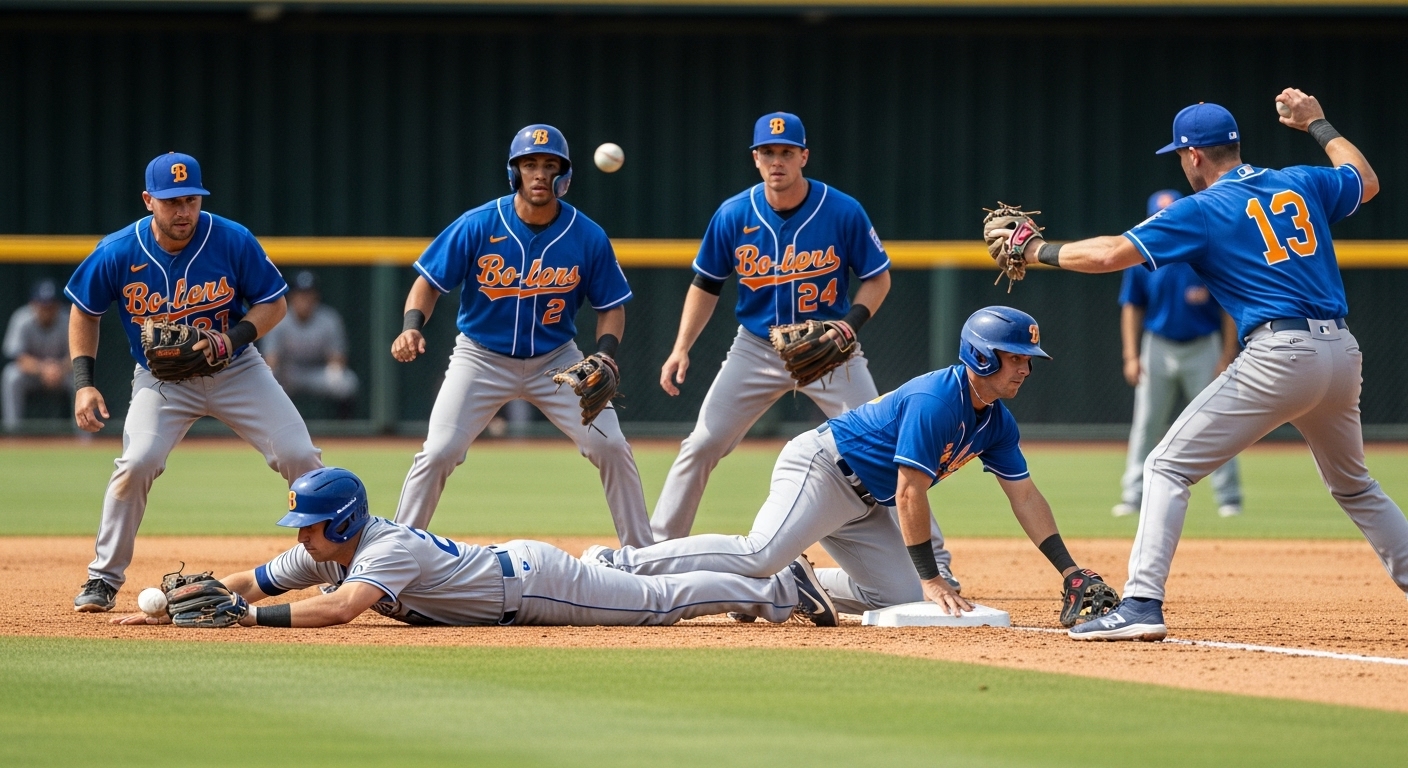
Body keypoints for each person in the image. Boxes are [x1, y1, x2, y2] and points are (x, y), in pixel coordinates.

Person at [985, 91, 1408, 641]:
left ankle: (1140, 605)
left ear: (1194, 157)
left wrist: (1036, 249)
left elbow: (1111, 254)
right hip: (1340, 353)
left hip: (1281, 353)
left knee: (1165, 467)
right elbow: (1365, 179)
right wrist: (1318, 123)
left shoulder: (1203, 209)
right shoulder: (1300, 181)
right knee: (1354, 486)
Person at [585, 307, 1109, 623]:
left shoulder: (995, 419)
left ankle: (801, 583)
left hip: (865, 500)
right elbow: (910, 493)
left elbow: (1025, 497)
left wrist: (1069, 570)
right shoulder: (938, 400)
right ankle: (621, 564)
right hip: (823, 468)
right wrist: (933, 577)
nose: (1025, 368)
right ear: (981, 358)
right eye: (1015, 357)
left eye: (1027, 359)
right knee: (759, 552)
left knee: (899, 598)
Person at [653, 112, 960, 590]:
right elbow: (706, 284)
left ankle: (934, 566)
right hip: (756, 348)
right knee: (702, 444)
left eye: (786, 152)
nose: (777, 161)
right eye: (768, 153)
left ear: (803, 156)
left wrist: (848, 325)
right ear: (755, 159)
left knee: (890, 450)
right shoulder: (734, 214)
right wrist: (680, 348)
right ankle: (658, 550)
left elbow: (877, 278)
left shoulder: (841, 211)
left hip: (831, 349)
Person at [64, 152, 323, 612]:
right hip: (161, 381)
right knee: (137, 461)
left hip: (237, 370)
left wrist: (233, 338)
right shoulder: (118, 250)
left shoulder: (231, 239)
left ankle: (331, 567)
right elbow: (85, 311)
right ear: (149, 201)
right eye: (171, 202)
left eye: (191, 200)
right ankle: (102, 578)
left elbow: (274, 304)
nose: (183, 211)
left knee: (301, 456)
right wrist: (84, 381)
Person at [109, 467, 827, 629]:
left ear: (346, 521)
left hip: (532, 587)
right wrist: (180, 601)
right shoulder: (333, 546)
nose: (300, 536)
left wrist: (242, 621)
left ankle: (782, 589)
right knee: (627, 572)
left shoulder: (379, 553)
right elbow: (260, 579)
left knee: (656, 607)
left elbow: (340, 612)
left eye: (309, 524)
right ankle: (607, 563)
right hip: (519, 568)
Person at [390, 125, 651, 547]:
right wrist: (411, 326)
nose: (539, 174)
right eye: (530, 164)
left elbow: (611, 308)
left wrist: (604, 356)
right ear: (515, 172)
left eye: (550, 166)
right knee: (438, 452)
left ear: (563, 175)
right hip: (480, 358)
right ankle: (391, 553)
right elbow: (429, 283)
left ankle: (644, 556)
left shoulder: (587, 236)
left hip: (558, 362)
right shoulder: (478, 224)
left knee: (611, 446)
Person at [1113, 190, 1243, 519]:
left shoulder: (1202, 253)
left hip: (1203, 345)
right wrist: (1131, 355)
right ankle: (1133, 494)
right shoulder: (1140, 258)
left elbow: (1229, 308)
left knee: (1217, 421)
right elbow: (1132, 307)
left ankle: (1229, 497)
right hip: (1157, 345)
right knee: (1146, 423)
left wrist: (1228, 352)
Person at [260, 270, 359, 417]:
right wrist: (273, 376)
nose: (305, 299)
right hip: (288, 373)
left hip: (317, 372)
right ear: (292, 296)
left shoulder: (329, 319)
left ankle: (343, 429)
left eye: (309, 294)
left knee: (346, 381)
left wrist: (334, 372)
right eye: (301, 294)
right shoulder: (279, 318)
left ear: (316, 297)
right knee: (266, 379)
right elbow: (271, 359)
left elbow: (337, 357)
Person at [2, 279, 72, 430]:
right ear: (33, 304)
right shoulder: (22, 318)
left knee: (81, 379)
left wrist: (58, 369)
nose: (46, 309)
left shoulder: (68, 320)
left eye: (50, 305)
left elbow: (76, 356)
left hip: (62, 374)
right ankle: (13, 432)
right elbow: (19, 357)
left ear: (58, 305)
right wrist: (43, 369)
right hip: (32, 374)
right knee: (11, 376)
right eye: (42, 305)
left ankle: (85, 438)